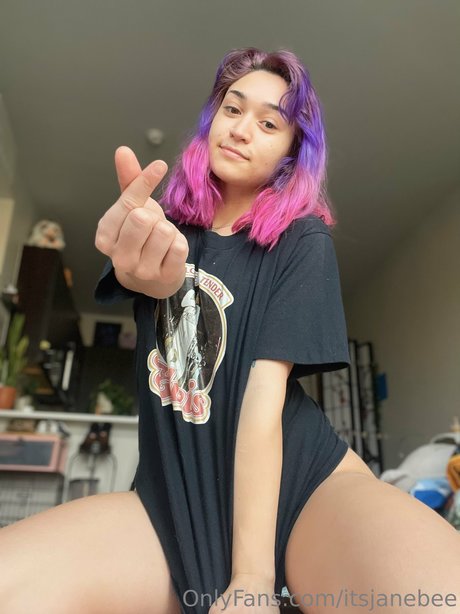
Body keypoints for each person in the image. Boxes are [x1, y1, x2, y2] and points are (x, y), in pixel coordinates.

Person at [0, 47, 459, 614]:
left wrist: (252, 580)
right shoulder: (163, 229)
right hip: (173, 499)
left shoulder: (301, 239)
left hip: (305, 490)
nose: (241, 129)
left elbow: (262, 401)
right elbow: (143, 274)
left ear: (292, 151)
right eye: (233, 109)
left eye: (269, 123)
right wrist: (141, 273)